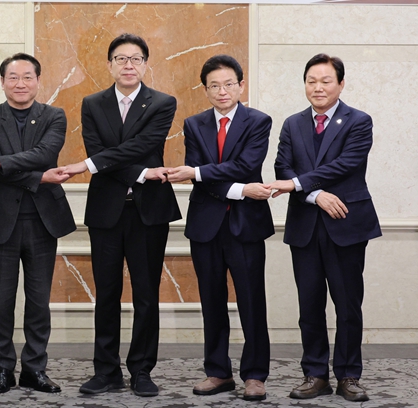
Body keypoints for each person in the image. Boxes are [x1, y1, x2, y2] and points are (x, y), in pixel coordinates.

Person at [64, 33, 181, 397]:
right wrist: (142, 173)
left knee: (146, 294)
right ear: (109, 64)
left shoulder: (163, 102)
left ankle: (142, 370)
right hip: (106, 211)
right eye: (121, 58)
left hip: (149, 212)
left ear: (145, 64)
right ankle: (106, 371)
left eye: (135, 59)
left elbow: (143, 145)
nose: (128, 65)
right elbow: (98, 149)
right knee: (106, 294)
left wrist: (90, 165)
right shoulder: (92, 103)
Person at [270, 53, 381, 402]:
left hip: (345, 223)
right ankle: (315, 374)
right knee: (309, 305)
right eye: (311, 81)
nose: (318, 87)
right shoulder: (293, 123)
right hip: (305, 225)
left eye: (326, 81)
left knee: (348, 305)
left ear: (341, 84)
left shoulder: (358, 121)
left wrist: (299, 184)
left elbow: (346, 165)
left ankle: (349, 375)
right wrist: (315, 195)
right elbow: (282, 167)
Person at [166, 55, 274, 401]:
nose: (222, 91)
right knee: (211, 301)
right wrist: (239, 189)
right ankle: (217, 372)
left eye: (228, 84)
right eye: (214, 85)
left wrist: (199, 173)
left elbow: (246, 165)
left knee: (252, 302)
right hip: (206, 226)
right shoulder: (194, 124)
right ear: (205, 90)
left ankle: (255, 375)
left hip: (246, 226)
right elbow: (201, 174)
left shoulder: (258, 121)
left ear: (241, 85)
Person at [0, 53, 76, 394]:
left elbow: (45, 155)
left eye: (27, 77)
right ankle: (2, 369)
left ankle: (35, 369)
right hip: (0, 222)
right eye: (13, 77)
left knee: (38, 302)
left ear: (38, 80)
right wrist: (38, 176)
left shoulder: (54, 116)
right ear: (2, 82)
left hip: (43, 222)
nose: (20, 83)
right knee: (1, 303)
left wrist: (2, 163)